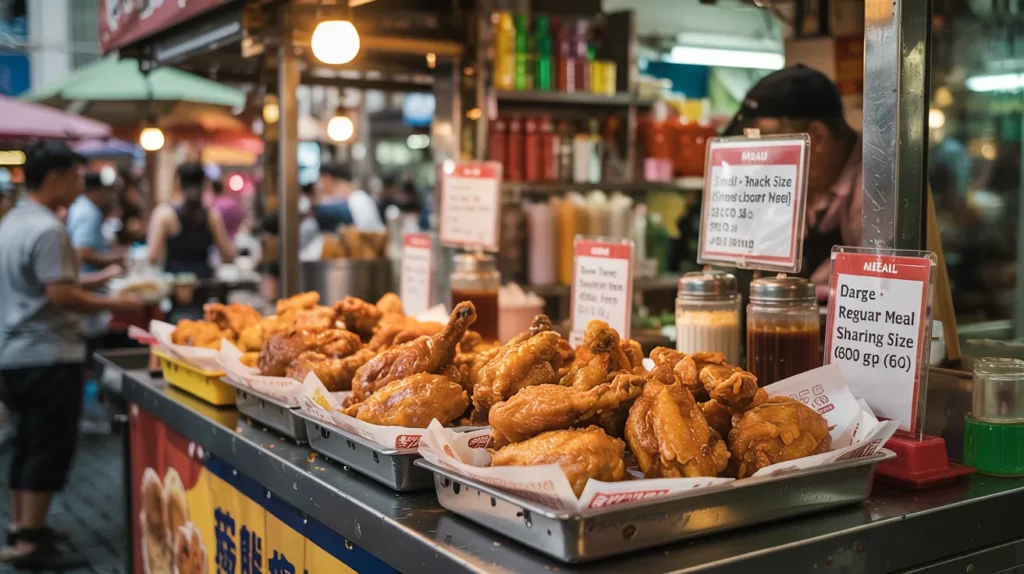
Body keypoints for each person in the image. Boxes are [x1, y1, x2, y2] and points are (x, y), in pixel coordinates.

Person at [0, 142, 142, 568]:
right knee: (46, 446)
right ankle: (30, 545)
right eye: (78, 176)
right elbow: (60, 293)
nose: (82, 184)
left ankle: (25, 527)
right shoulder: (48, 228)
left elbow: (53, 281)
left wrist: (102, 278)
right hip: (46, 354)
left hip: (15, 356)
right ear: (57, 177)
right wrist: (117, 304)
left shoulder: (13, 222)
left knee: (26, 444)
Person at [725, 65, 862, 289]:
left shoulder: (878, 189)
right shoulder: (804, 183)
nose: (761, 163)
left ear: (816, 137)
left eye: (770, 143)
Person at [66, 172, 126, 359]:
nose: (111, 196)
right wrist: (113, 263)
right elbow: (83, 252)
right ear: (99, 190)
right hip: (89, 291)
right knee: (93, 353)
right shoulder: (90, 211)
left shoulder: (79, 208)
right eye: (108, 192)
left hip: (85, 288)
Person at [147, 162, 235, 280]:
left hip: (174, 284)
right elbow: (228, 256)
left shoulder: (164, 214)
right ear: (204, 184)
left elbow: (154, 256)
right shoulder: (211, 216)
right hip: (204, 283)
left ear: (178, 182)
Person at [318, 162, 384, 231]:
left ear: (327, 179)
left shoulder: (359, 200)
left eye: (321, 180)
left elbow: (366, 234)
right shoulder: (342, 200)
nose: (320, 186)